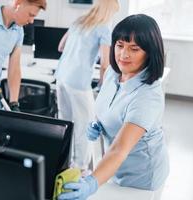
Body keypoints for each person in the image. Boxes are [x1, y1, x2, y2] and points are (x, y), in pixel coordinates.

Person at [58, 14, 169, 200]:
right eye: (119, 45)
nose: (123, 55)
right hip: (114, 169)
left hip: (142, 178)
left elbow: (120, 149)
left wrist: (92, 182)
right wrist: (98, 124)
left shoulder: (148, 95)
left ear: (150, 52)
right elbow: (109, 108)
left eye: (134, 49)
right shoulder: (112, 72)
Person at [55, 0, 119, 171]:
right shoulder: (104, 27)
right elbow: (106, 63)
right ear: (110, 11)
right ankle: (80, 168)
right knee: (85, 125)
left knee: (65, 123)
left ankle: (62, 162)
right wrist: (103, 84)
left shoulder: (79, 21)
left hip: (61, 77)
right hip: (78, 81)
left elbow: (61, 47)